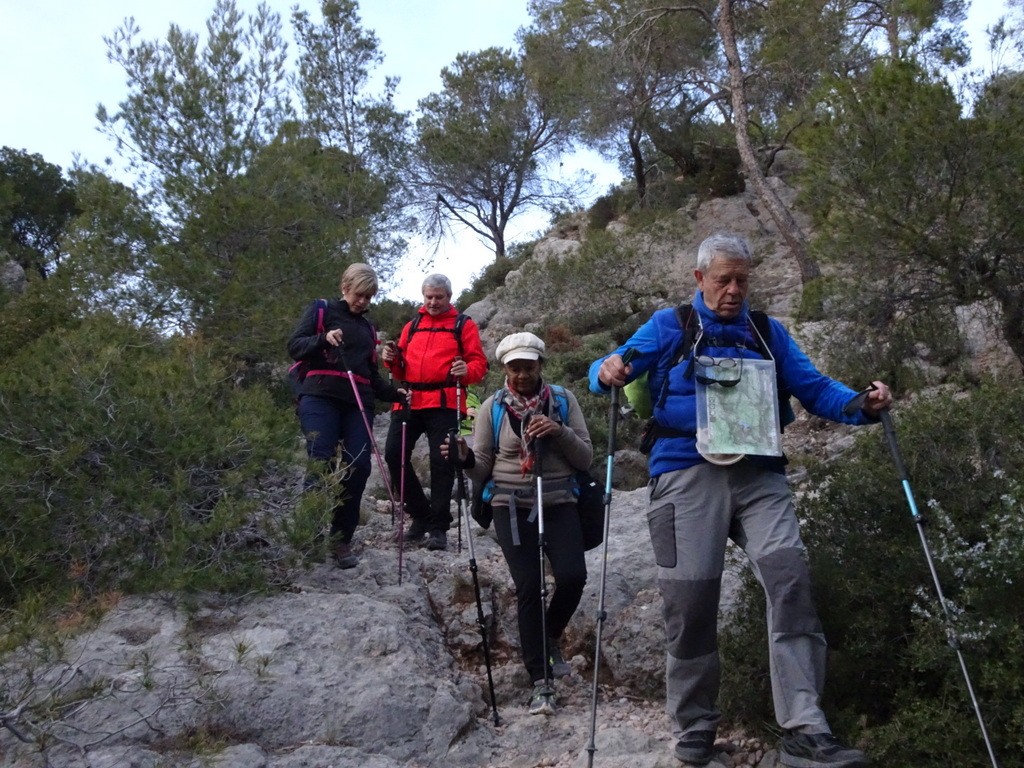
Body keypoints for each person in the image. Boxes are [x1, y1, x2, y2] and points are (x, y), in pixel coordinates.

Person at [589, 233, 892, 768]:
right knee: (691, 604)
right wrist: (606, 370)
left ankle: (804, 726)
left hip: (760, 475)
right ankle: (695, 726)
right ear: (699, 278)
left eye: (742, 280)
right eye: (723, 279)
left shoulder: (766, 331)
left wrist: (861, 405)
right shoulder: (669, 326)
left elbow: (814, 388)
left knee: (791, 581)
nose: (733, 290)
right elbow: (611, 366)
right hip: (685, 473)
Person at [445, 332, 592, 716]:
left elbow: (586, 458)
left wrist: (558, 432)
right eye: (515, 367)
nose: (523, 374)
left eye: (529, 366)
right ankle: (540, 679)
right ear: (504, 368)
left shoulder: (562, 401)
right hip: (509, 504)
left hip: (559, 501)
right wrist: (463, 458)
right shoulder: (493, 407)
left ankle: (547, 635)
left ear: (541, 365)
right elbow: (482, 467)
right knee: (529, 586)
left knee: (574, 576)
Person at [288, 263, 408, 570]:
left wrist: (394, 393)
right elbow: (295, 346)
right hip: (319, 397)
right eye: (360, 295)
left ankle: (341, 539)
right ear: (345, 288)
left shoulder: (368, 329)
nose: (364, 302)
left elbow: (369, 372)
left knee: (359, 465)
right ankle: (309, 533)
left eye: (370, 297)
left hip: (359, 401)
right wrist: (323, 339)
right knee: (321, 459)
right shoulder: (322, 310)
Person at [381, 274, 487, 551]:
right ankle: (421, 515)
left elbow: (479, 365)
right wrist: (390, 360)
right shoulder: (412, 326)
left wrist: (467, 370)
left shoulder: (463, 325)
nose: (433, 302)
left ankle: (438, 527)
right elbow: (399, 368)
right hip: (409, 399)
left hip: (445, 400)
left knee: (443, 462)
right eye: (428, 297)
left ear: (449, 297)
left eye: (439, 297)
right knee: (394, 454)